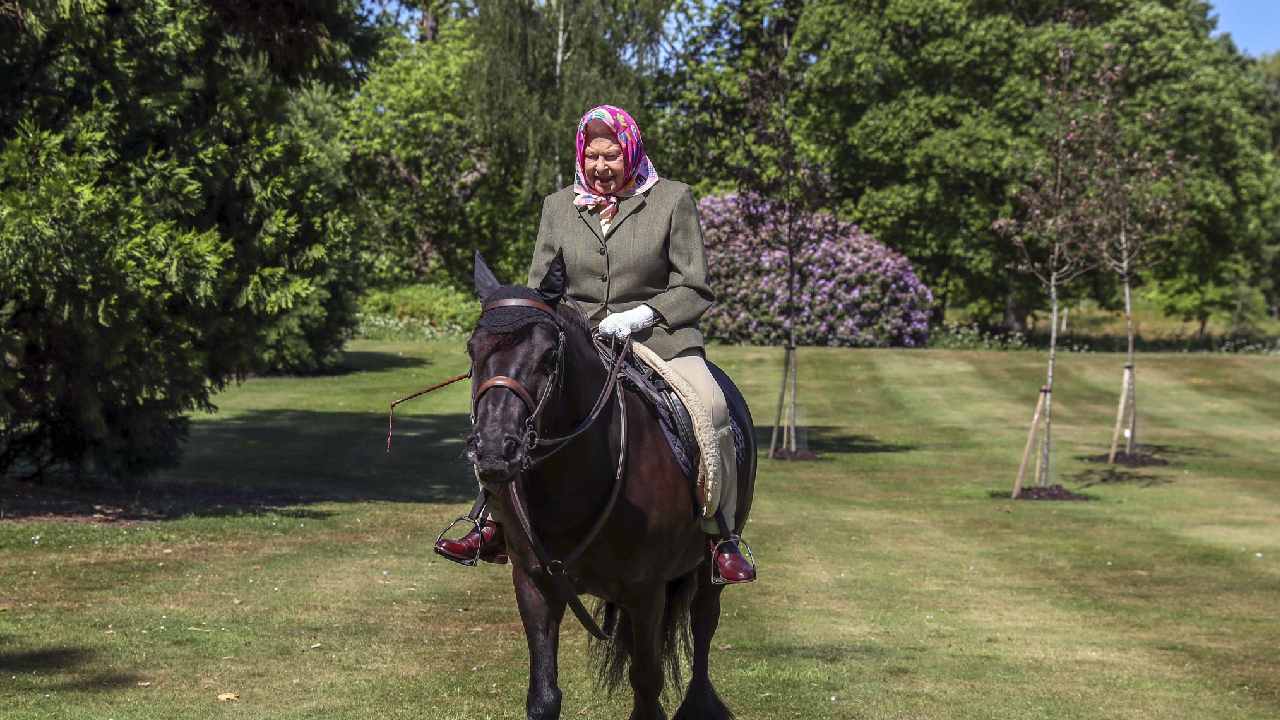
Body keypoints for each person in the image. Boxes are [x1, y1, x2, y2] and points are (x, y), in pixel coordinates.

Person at [436, 105, 755, 584]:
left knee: (710, 406)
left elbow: (694, 286)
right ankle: (492, 522)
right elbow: (542, 288)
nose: (601, 167)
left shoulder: (672, 200)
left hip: (660, 338)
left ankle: (719, 534)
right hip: (578, 339)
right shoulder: (557, 206)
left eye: (611, 156)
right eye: (593, 157)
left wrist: (644, 315)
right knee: (510, 409)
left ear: (630, 151)